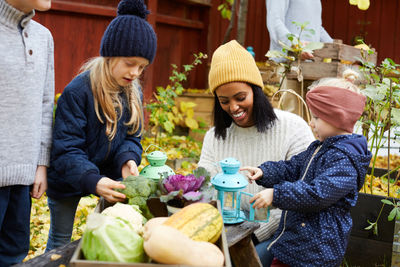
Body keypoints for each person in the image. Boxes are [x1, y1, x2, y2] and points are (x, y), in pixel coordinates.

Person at [45, 0, 157, 251]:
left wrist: (128, 159)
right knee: (60, 241)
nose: (136, 72)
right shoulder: (78, 91)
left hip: (109, 173)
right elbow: (67, 150)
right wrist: (93, 180)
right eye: (130, 63)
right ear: (110, 54)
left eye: (142, 66)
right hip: (68, 177)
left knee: (115, 231)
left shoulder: (132, 92)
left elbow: (132, 138)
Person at [198, 40, 315, 267]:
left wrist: (253, 233)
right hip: (226, 231)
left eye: (240, 98)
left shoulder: (293, 128)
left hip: (281, 233)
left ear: (256, 90)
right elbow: (206, 191)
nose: (233, 108)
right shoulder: (214, 137)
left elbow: (304, 193)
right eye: (224, 101)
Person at [241, 70, 372, 267]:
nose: (311, 123)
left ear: (338, 118)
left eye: (317, 118)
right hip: (296, 242)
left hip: (316, 251)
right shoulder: (319, 148)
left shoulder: (345, 161)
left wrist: (276, 194)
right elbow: (292, 168)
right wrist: (265, 172)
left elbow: (317, 194)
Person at [0, 0, 54, 265]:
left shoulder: (44, 38)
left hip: (23, 178)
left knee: (14, 257)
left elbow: (45, 104)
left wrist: (41, 163)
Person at [266, 0, 333, 60]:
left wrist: (334, 47)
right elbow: (274, 21)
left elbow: (316, 27)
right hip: (286, 66)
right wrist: (295, 44)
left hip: (311, 68)